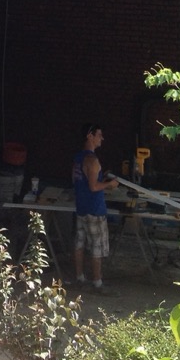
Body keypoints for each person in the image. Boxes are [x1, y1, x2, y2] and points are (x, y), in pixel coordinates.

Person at [73, 123, 119, 291]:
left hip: (81, 207)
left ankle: (79, 277)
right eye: (99, 135)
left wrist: (102, 179)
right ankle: (97, 283)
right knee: (97, 247)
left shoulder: (78, 158)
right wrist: (109, 184)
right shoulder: (92, 160)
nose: (102, 138)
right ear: (89, 136)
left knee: (79, 243)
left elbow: (80, 181)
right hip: (94, 209)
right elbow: (93, 187)